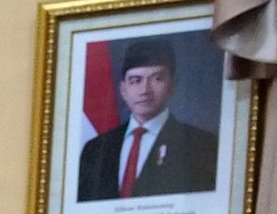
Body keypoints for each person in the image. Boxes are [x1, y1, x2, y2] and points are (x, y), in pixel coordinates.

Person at [74, 39, 218, 203]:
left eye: (157, 79)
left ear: (173, 84)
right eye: (136, 80)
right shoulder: (95, 149)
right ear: (123, 89)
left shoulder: (201, 145)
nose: (145, 90)